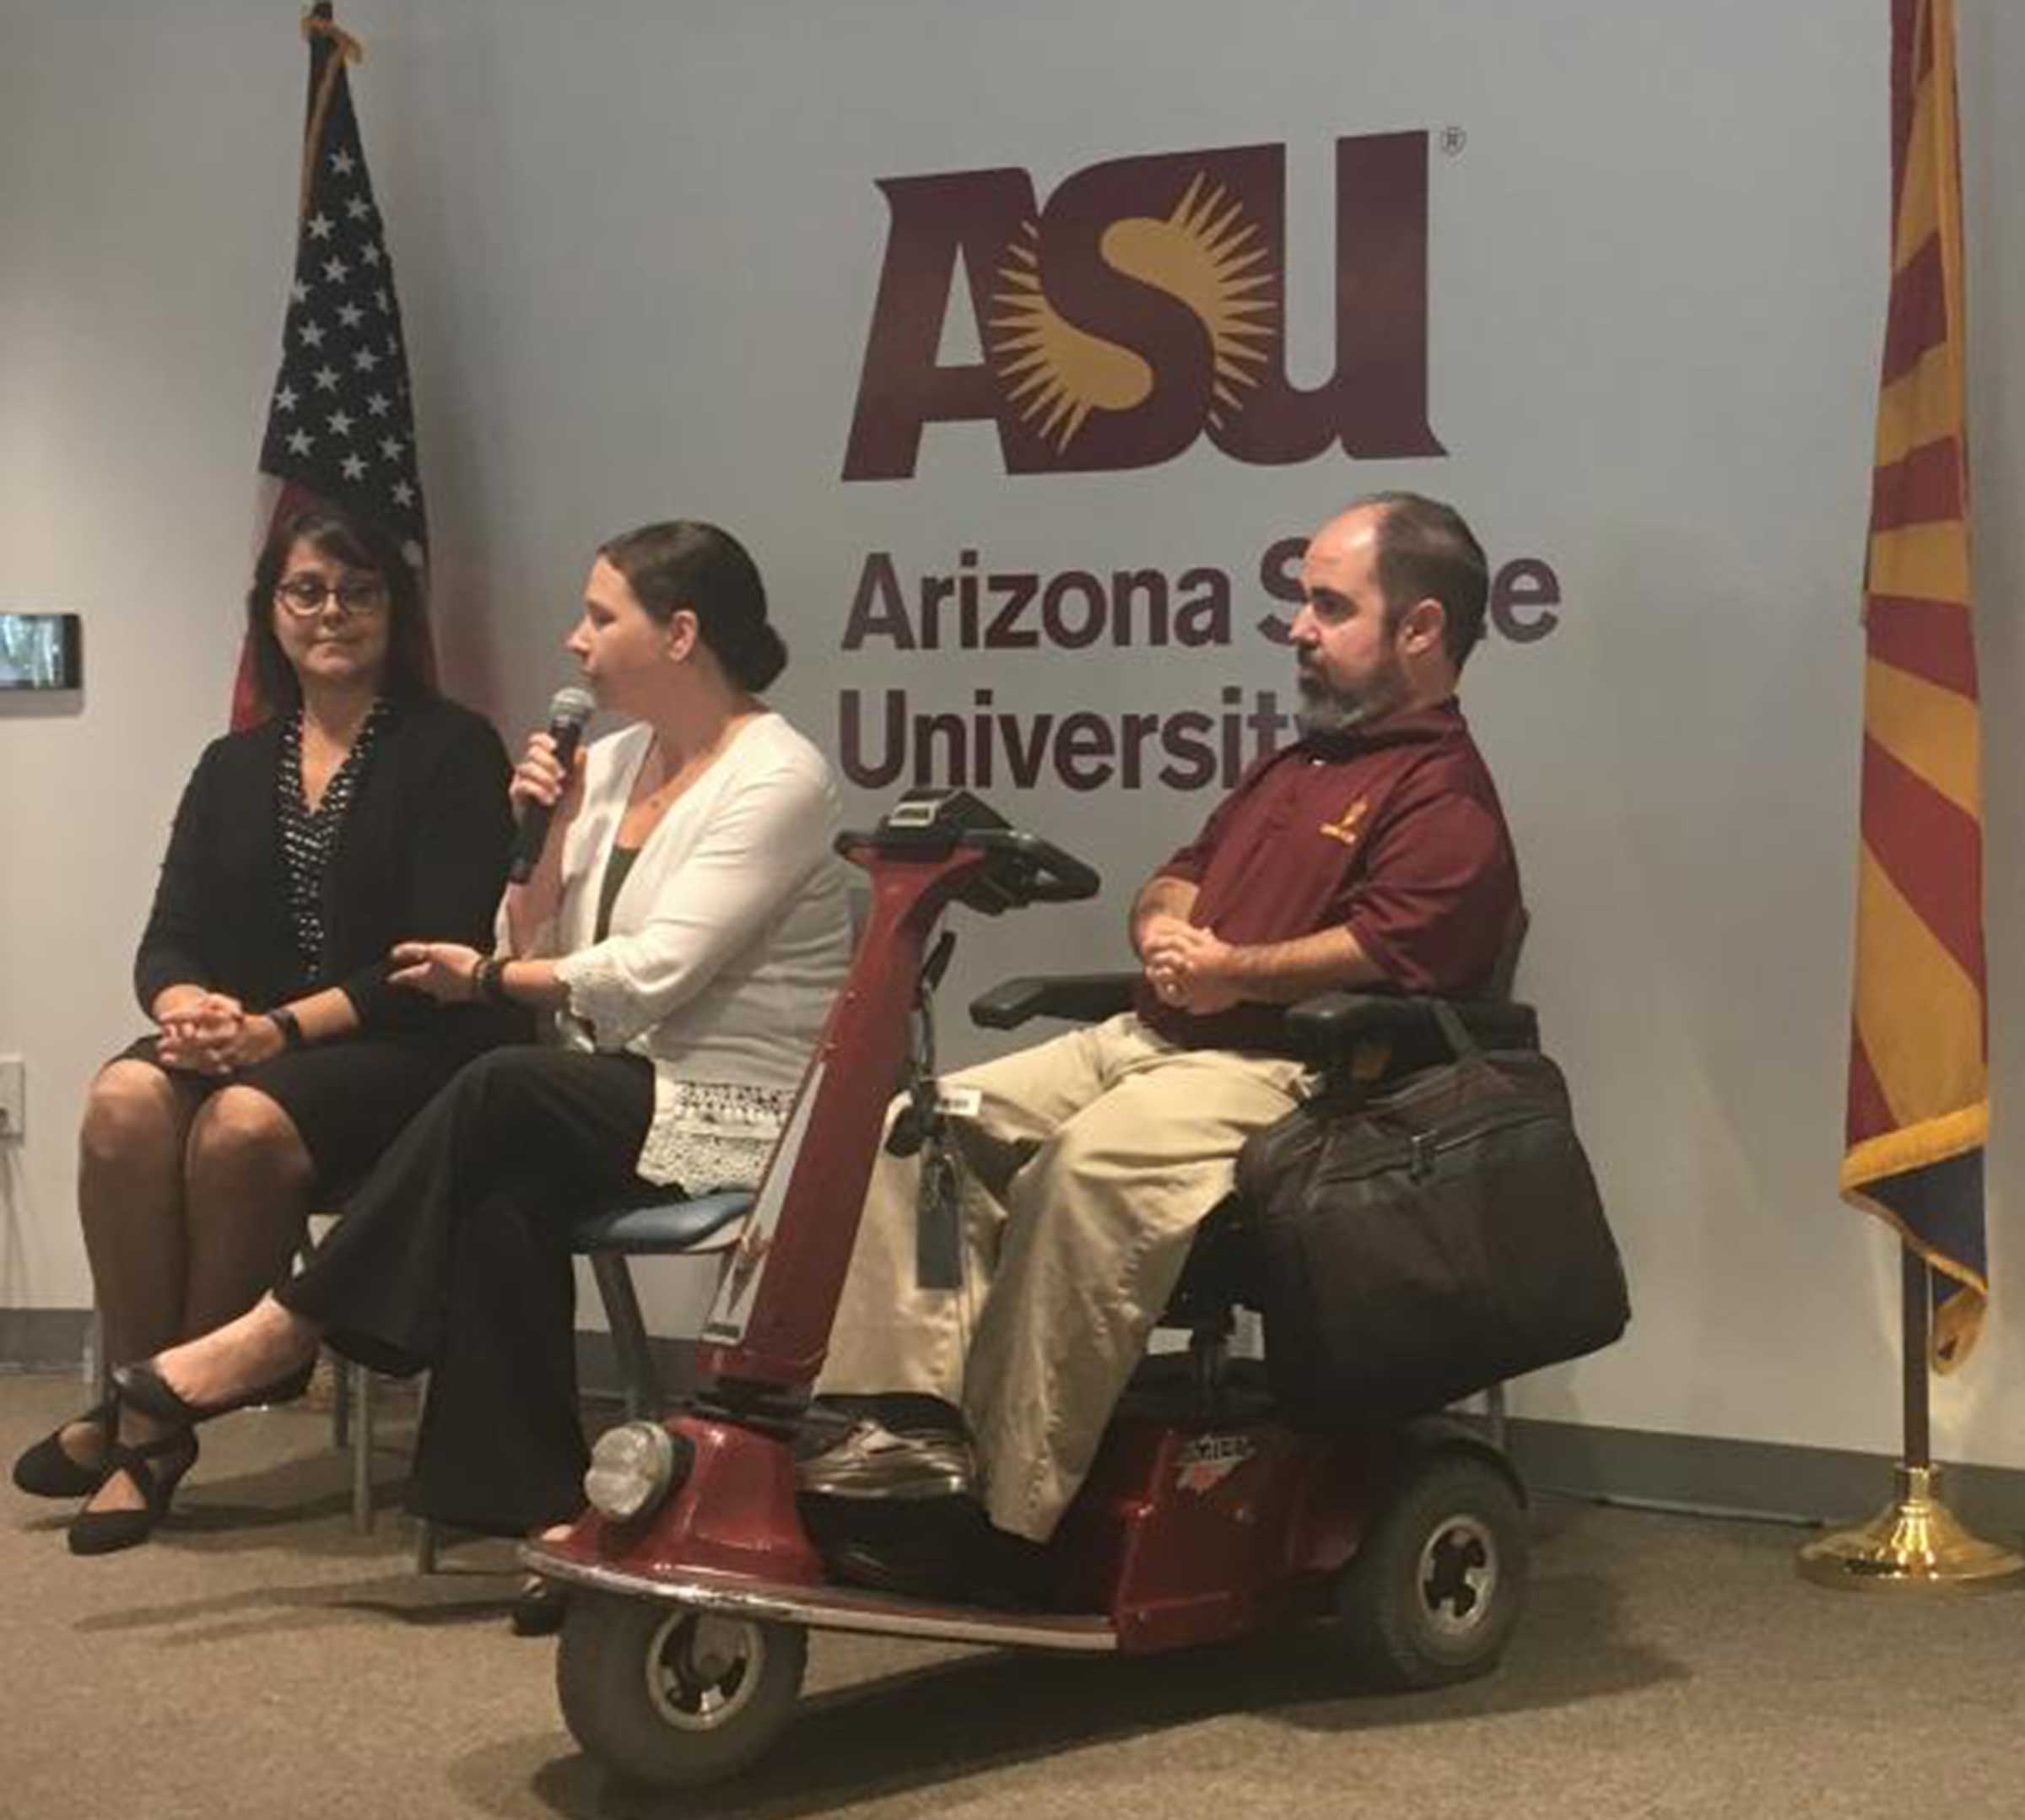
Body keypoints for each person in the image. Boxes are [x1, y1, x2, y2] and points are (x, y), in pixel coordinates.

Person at [111, 520, 855, 1593]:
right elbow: (535, 947)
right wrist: (539, 840)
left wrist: (489, 982)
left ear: (681, 634)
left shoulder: (777, 777)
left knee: (498, 1079)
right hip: (608, 1089)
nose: (573, 639)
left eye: (601, 616)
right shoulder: (606, 763)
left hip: (740, 1103)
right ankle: (541, 1512)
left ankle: (287, 1326)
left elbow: (650, 975)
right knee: (503, 1178)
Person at [798, 491, 1522, 1576]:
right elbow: (1177, 871)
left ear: (1420, 629)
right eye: (1302, 603)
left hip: (1292, 1073)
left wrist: (1233, 971)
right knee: (926, 1124)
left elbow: (1383, 950)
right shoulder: (1297, 766)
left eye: (1329, 605)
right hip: (1147, 1042)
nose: (1298, 628)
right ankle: (900, 1423)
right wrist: (1166, 922)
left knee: (1084, 1176)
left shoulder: (1445, 798)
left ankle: (1003, 1507)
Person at [11, 500, 521, 1555]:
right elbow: (170, 936)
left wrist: (278, 1033)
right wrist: (183, 1006)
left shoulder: (453, 748)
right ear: (271, 613)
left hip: (408, 1051)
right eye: (307, 591)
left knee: (242, 1124)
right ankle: (150, 1407)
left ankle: (147, 1423)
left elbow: (437, 956)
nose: (332, 612)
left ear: (394, 609)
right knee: (124, 1100)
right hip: (252, 1039)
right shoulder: (231, 764)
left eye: (359, 591)